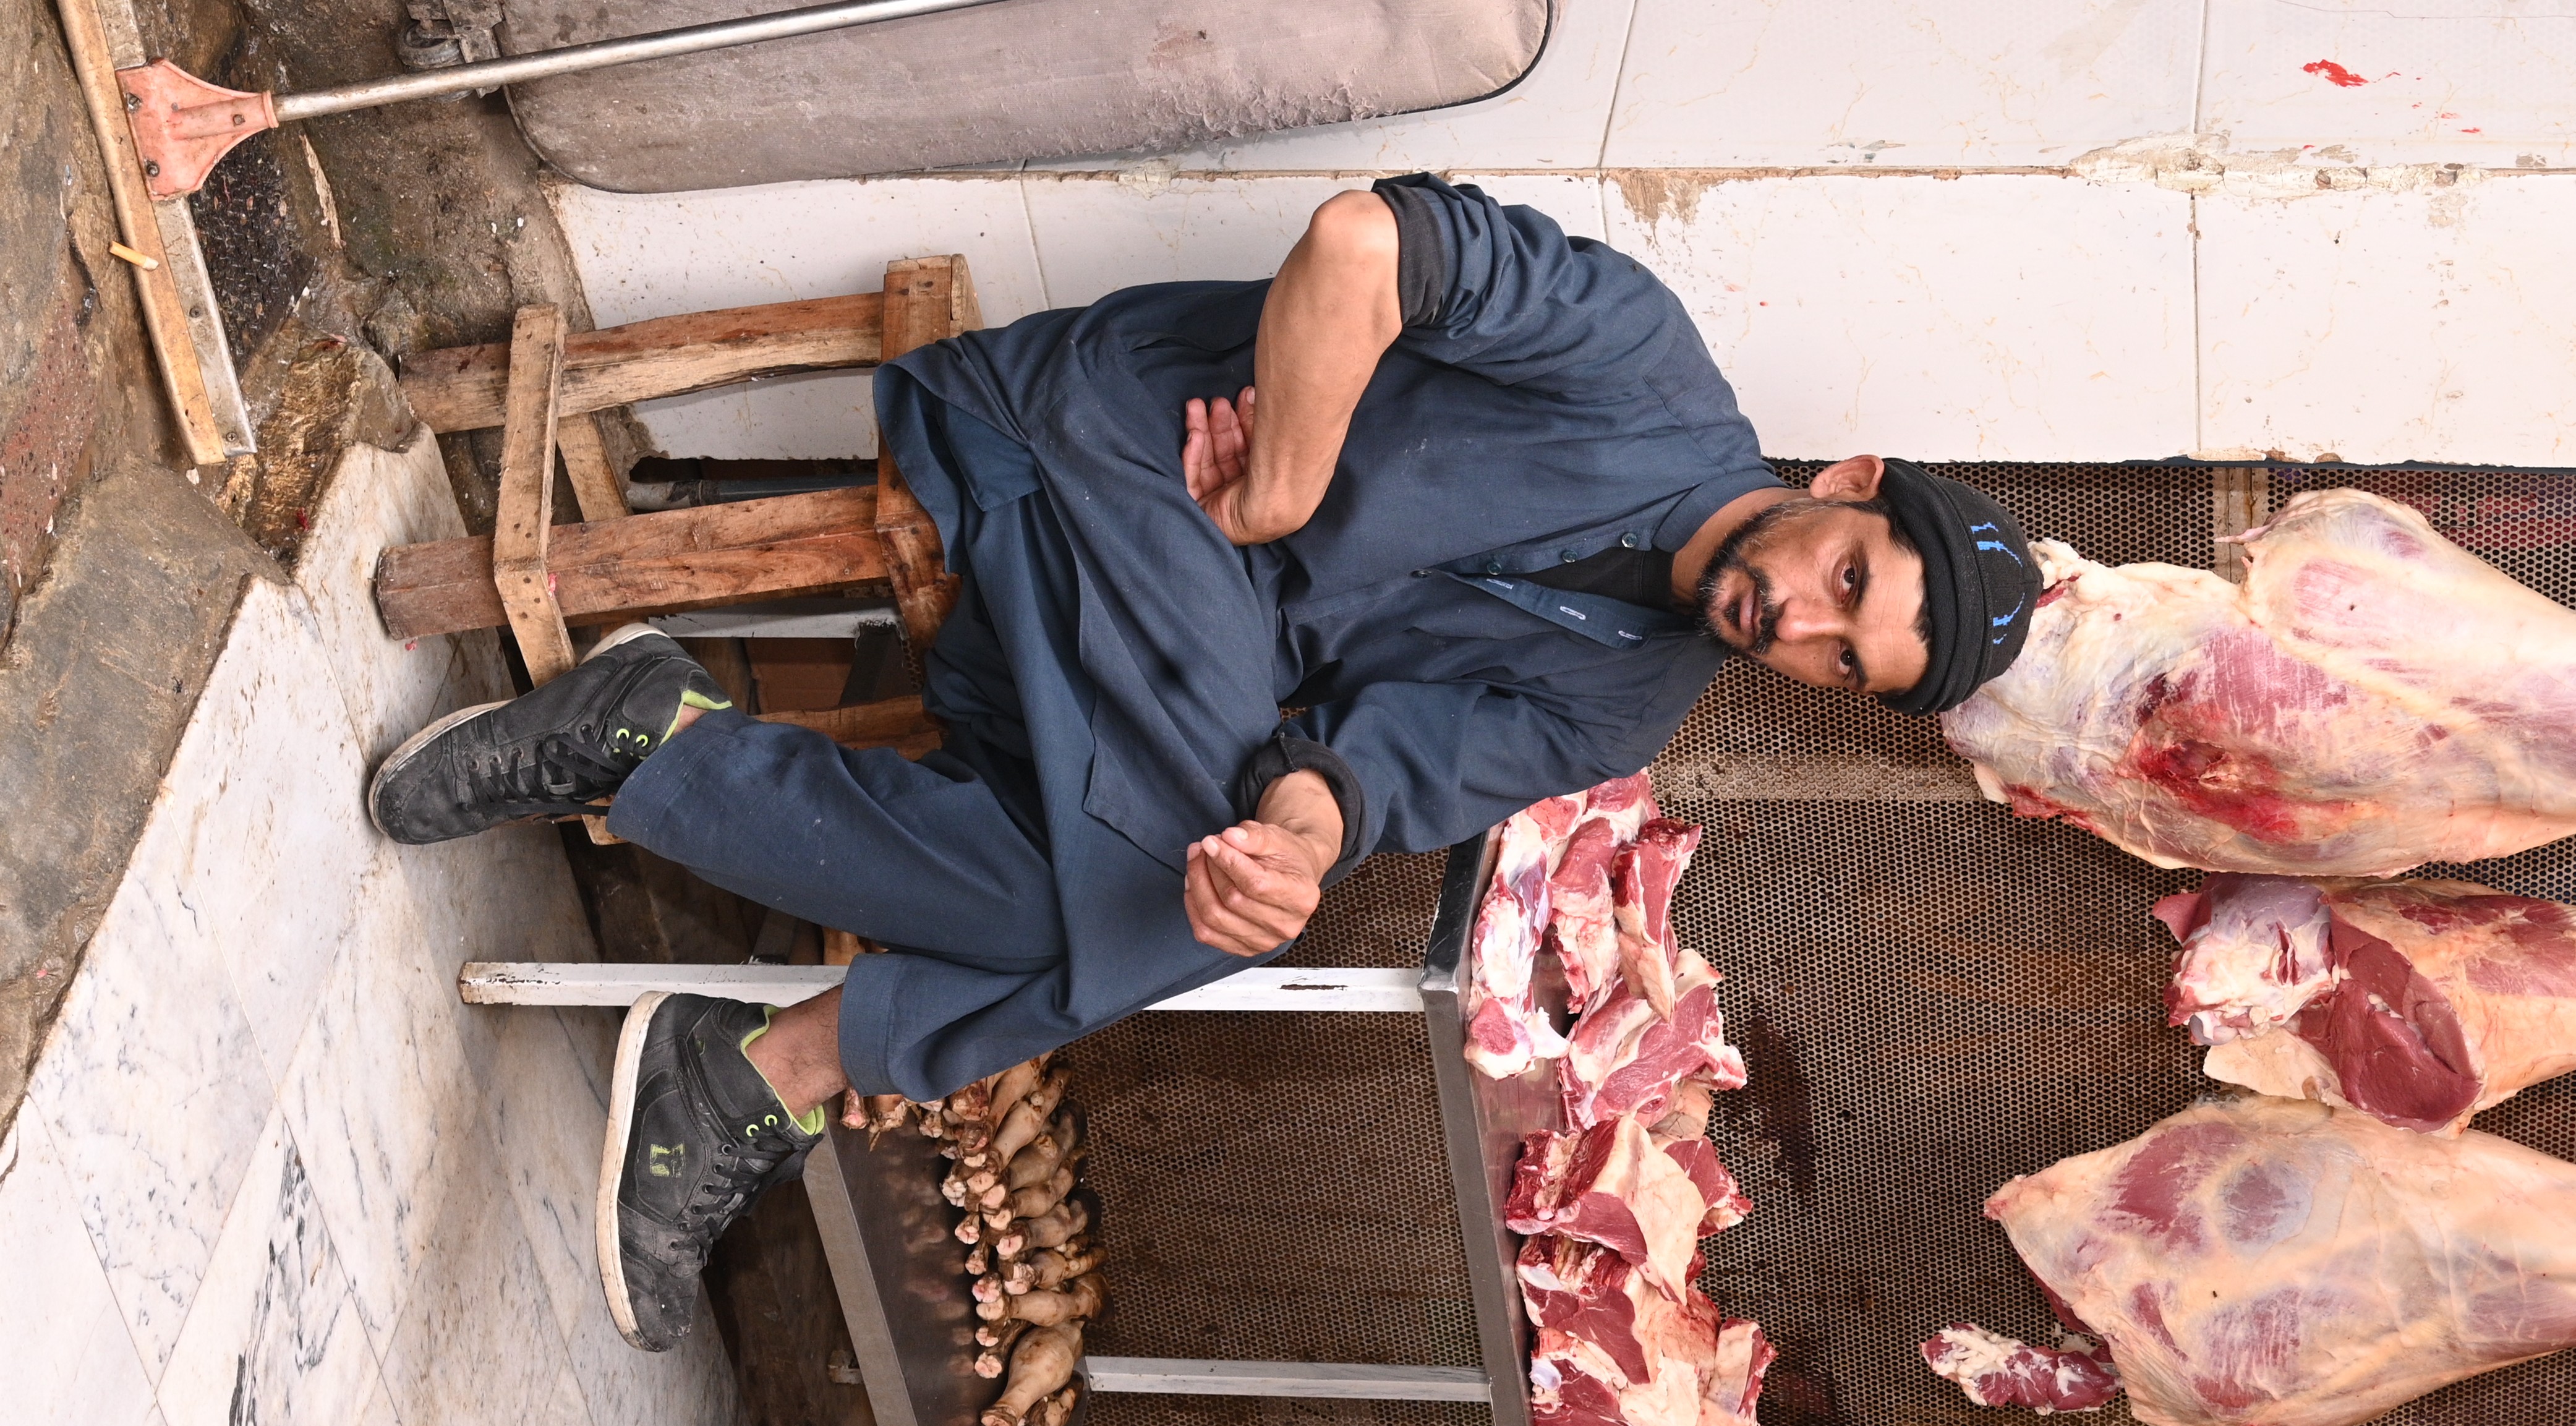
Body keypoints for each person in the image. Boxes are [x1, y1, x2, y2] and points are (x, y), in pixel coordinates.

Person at [365, 176, 2041, 1351]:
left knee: (1180, 901)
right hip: (1099, 456)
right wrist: (1290, 478)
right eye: (1849, 582)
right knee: (1153, 910)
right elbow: (1363, 241)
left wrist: (1294, 846)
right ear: (1854, 477)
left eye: (1843, 658)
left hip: (1144, 657)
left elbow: (1371, 767)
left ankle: (653, 749)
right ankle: (763, 1056)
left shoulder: (1630, 703)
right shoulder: (1635, 358)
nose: (1801, 624)